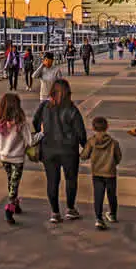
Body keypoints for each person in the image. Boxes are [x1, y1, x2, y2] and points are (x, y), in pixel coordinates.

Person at [33, 79, 87, 223]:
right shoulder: (72, 109)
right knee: (71, 180)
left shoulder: (44, 106)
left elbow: (35, 122)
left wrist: (42, 131)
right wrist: (86, 146)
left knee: (52, 181)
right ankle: (70, 209)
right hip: (69, 150)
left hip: (48, 149)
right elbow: (81, 132)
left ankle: (55, 212)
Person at [0, 92, 43, 225]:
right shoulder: (21, 124)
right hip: (17, 159)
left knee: (11, 181)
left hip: (4, 158)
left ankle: (16, 204)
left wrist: (2, 149)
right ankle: (9, 209)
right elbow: (31, 141)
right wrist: (42, 134)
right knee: (14, 183)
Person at [80, 116, 122, 230]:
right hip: (110, 173)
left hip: (97, 173)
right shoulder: (114, 143)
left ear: (93, 128)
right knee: (111, 194)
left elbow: (84, 156)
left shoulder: (91, 142)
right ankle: (112, 214)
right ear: (107, 127)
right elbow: (118, 157)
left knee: (98, 195)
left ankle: (99, 218)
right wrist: (112, 164)